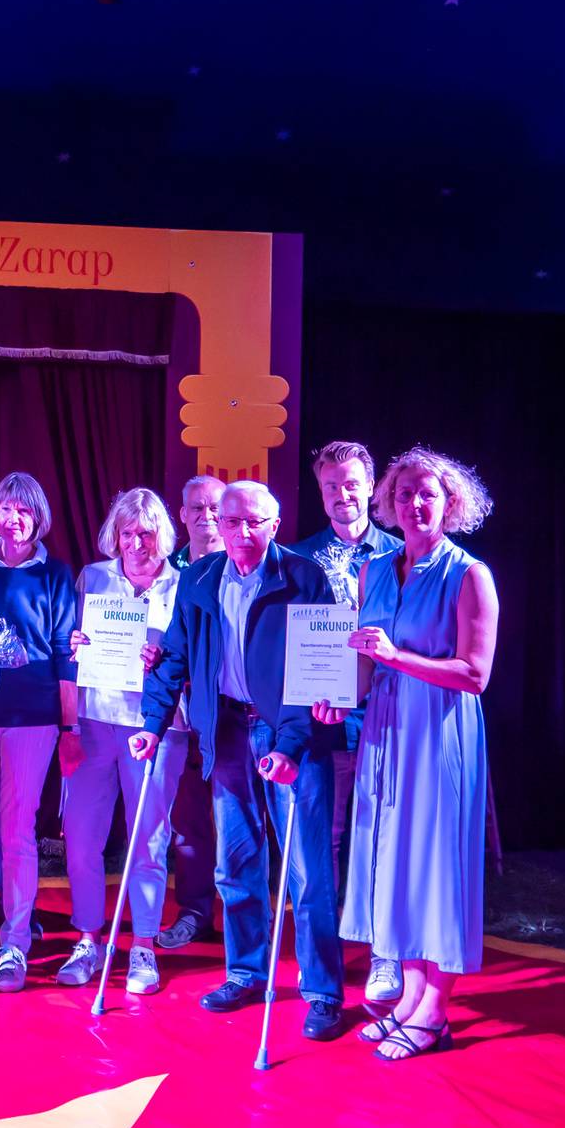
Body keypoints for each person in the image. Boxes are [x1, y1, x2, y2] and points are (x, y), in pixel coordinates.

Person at [140, 481, 346, 1040]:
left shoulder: (304, 577)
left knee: (306, 872)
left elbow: (319, 672)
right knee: (236, 864)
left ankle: (323, 991)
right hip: (226, 730)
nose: (242, 533)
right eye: (232, 522)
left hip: (285, 732)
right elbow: (177, 655)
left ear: (274, 526)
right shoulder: (199, 577)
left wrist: (291, 745)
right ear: (218, 526)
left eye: (254, 522)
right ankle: (246, 972)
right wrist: (151, 724)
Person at [334, 447, 498, 1061]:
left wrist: (396, 659)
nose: (415, 504)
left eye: (428, 493)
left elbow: (475, 674)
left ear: (450, 503)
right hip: (384, 724)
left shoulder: (469, 575)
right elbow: (361, 658)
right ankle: (406, 996)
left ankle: (434, 1011)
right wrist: (338, 698)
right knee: (392, 859)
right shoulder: (374, 569)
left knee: (436, 864)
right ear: (389, 504)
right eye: (404, 495)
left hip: (439, 730)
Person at [0, 472, 77, 993]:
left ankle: (16, 941)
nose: (15, 520)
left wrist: (69, 726)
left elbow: (68, 654)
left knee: (17, 830)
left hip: (35, 718)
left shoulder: (56, 574)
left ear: (38, 518)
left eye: (26, 511)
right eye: (7, 510)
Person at [58, 487, 185, 995]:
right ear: (116, 534)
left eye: (147, 533)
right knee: (83, 838)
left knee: (148, 840)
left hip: (155, 728)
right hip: (93, 720)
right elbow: (70, 650)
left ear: (162, 536)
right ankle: (88, 939)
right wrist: (76, 643)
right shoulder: (93, 577)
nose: (136, 543)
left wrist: (167, 658)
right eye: (128, 532)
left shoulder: (183, 584)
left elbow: (195, 657)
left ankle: (144, 947)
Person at [291, 440, 405, 1007]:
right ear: (320, 490)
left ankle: (385, 953)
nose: (342, 494)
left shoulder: (401, 555)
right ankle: (328, 956)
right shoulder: (298, 557)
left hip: (387, 718)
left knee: (383, 836)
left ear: (371, 484)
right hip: (323, 719)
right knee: (327, 841)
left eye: (352, 482)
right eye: (331, 485)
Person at [156, 474, 224, 951]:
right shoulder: (166, 572)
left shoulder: (248, 564)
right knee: (191, 821)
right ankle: (196, 912)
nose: (207, 517)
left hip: (242, 713)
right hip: (183, 716)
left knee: (248, 819)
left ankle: (249, 920)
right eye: (196, 508)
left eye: (215, 508)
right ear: (182, 515)